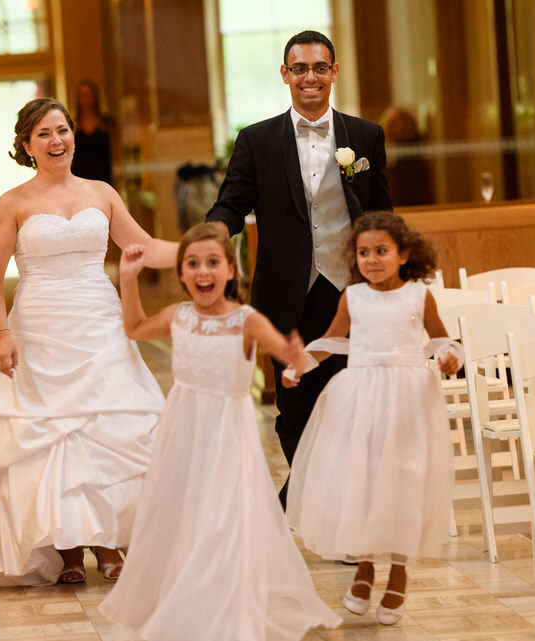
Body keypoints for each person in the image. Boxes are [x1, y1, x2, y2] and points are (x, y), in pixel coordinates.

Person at [99, 223, 341, 640]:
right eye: (192, 264)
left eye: (213, 262)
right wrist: (127, 278)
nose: (202, 271)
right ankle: (186, 592)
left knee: (225, 512)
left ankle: (227, 594)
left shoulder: (245, 320)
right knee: (185, 509)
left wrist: (295, 362)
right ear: (181, 274)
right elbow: (136, 328)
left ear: (230, 270)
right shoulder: (179, 315)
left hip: (229, 430)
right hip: (184, 428)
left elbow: (287, 354)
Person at [0, 97, 178, 585]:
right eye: (44, 134)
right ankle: (65, 548)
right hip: (40, 327)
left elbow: (144, 247)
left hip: (100, 321)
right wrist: (2, 333)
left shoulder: (102, 193)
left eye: (63, 130)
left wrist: (202, 250)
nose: (57, 140)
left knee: (104, 426)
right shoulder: (13, 203)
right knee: (52, 435)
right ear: (26, 146)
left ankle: (109, 541)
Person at [207, 30, 393, 506]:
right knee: (293, 412)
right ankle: (306, 491)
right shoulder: (257, 140)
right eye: (300, 68)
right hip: (284, 296)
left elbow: (383, 217)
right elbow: (231, 205)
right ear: (286, 74)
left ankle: (338, 511)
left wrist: (394, 278)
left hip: (350, 293)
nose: (310, 77)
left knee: (351, 406)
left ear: (334, 72)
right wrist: (209, 238)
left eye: (319, 67)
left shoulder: (366, 136)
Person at [284, 211, 462, 626]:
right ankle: (364, 566)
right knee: (362, 480)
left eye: (381, 251)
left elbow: (441, 339)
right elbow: (332, 341)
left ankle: (399, 572)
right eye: (363, 253)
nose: (372, 260)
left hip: (408, 399)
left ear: (404, 254)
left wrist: (449, 356)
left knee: (403, 481)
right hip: (360, 396)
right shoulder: (353, 296)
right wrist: (300, 364)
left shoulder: (419, 296)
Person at [71, 79, 114, 185]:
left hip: (104, 177)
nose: (86, 99)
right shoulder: (72, 125)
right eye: (83, 95)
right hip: (80, 179)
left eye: (89, 95)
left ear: (95, 97)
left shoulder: (107, 124)